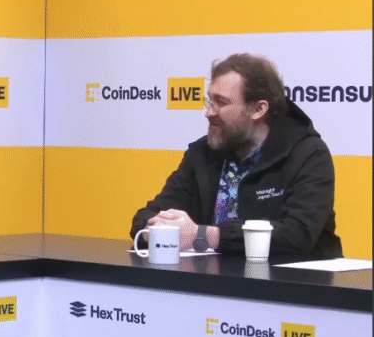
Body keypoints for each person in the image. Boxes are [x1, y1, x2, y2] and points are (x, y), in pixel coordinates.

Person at [131, 53, 342, 259]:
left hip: (292, 280)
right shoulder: (202, 154)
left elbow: (298, 234)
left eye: (221, 102)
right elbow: (145, 218)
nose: (209, 112)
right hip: (211, 278)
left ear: (258, 109)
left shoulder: (308, 154)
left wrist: (203, 236)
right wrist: (157, 229)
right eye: (209, 101)